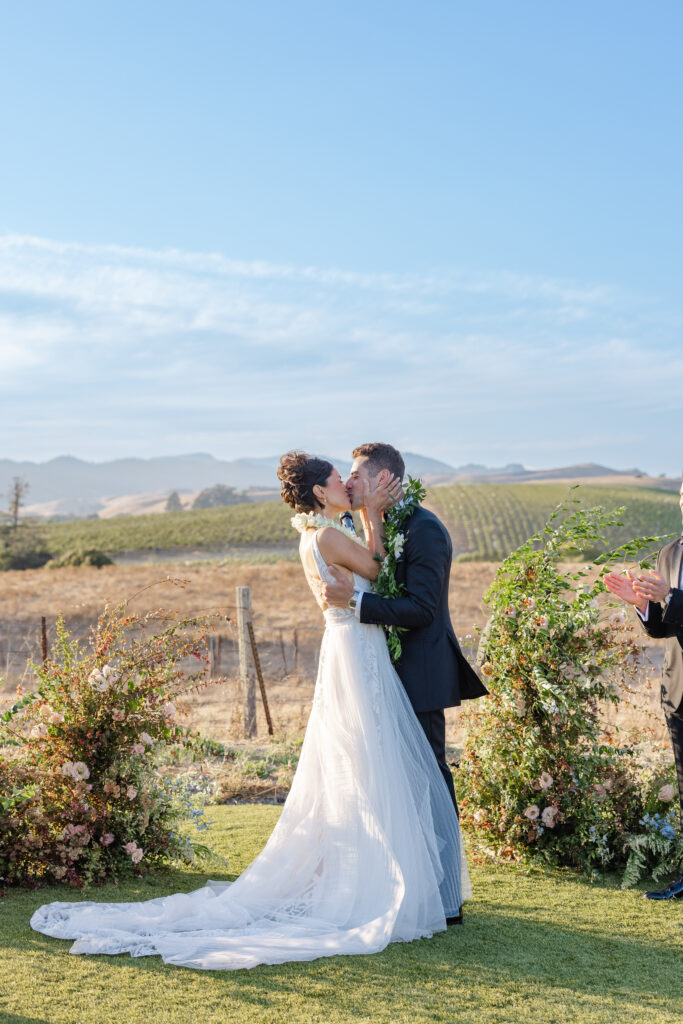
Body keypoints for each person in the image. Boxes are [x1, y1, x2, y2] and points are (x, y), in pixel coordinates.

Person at [31, 450, 470, 970]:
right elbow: (378, 570)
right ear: (321, 494)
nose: (347, 484)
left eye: (353, 477)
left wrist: (367, 520)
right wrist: (371, 516)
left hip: (360, 651)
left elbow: (387, 583)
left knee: (374, 768)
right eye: (339, 478)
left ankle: (400, 881)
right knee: (371, 767)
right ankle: (384, 886)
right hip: (358, 651)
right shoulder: (328, 536)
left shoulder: (325, 533)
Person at [322, 442, 488, 812]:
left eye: (354, 475)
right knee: (397, 782)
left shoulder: (423, 529)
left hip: (421, 675)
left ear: (382, 477)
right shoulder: (377, 526)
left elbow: (422, 609)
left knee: (428, 777)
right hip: (384, 675)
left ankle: (444, 870)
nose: (348, 483)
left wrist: (354, 601)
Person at [604, 475, 683, 900]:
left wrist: (672, 594)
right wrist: (643, 605)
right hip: (679, 689)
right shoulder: (670, 552)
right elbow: (664, 626)